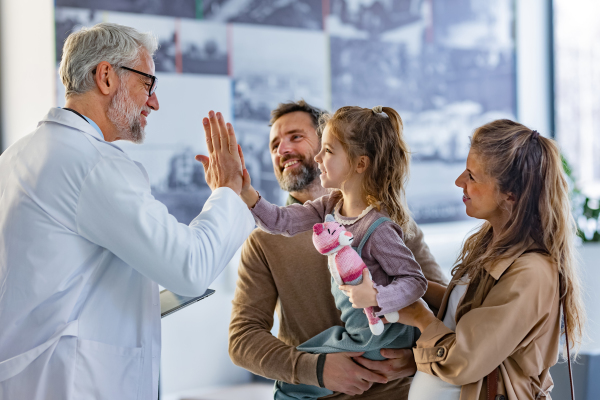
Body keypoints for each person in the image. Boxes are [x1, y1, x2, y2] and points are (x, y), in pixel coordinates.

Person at [0, 23, 254, 400]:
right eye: (147, 84)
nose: (153, 102)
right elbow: (190, 268)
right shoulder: (93, 163)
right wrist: (228, 190)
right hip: (71, 382)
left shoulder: (17, 155)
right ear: (106, 77)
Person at [229, 101, 447, 399]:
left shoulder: (389, 223)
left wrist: (416, 358)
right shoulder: (263, 243)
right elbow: (242, 340)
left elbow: (443, 305)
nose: (282, 149)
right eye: (274, 145)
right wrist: (315, 369)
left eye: (295, 136)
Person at [377, 119, 585, 399]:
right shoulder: (491, 245)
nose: (459, 182)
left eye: (472, 176)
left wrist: (419, 316)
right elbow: (463, 317)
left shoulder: (532, 272)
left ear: (510, 194)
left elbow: (466, 358)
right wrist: (405, 285)